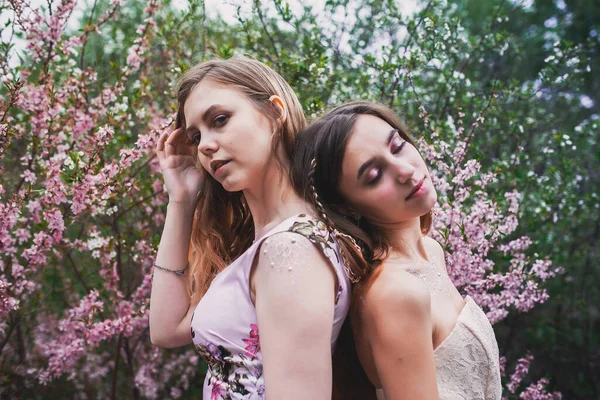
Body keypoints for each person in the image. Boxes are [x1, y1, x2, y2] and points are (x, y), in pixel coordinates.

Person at [149, 57, 351, 399]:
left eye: (220, 120)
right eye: (197, 136)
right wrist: (181, 199)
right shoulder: (266, 243)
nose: (205, 146)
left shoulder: (290, 249)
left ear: (274, 112)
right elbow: (166, 330)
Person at [292, 101, 502, 400]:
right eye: (374, 175)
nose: (405, 171)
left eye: (398, 146)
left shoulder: (432, 250)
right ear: (345, 206)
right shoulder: (394, 293)